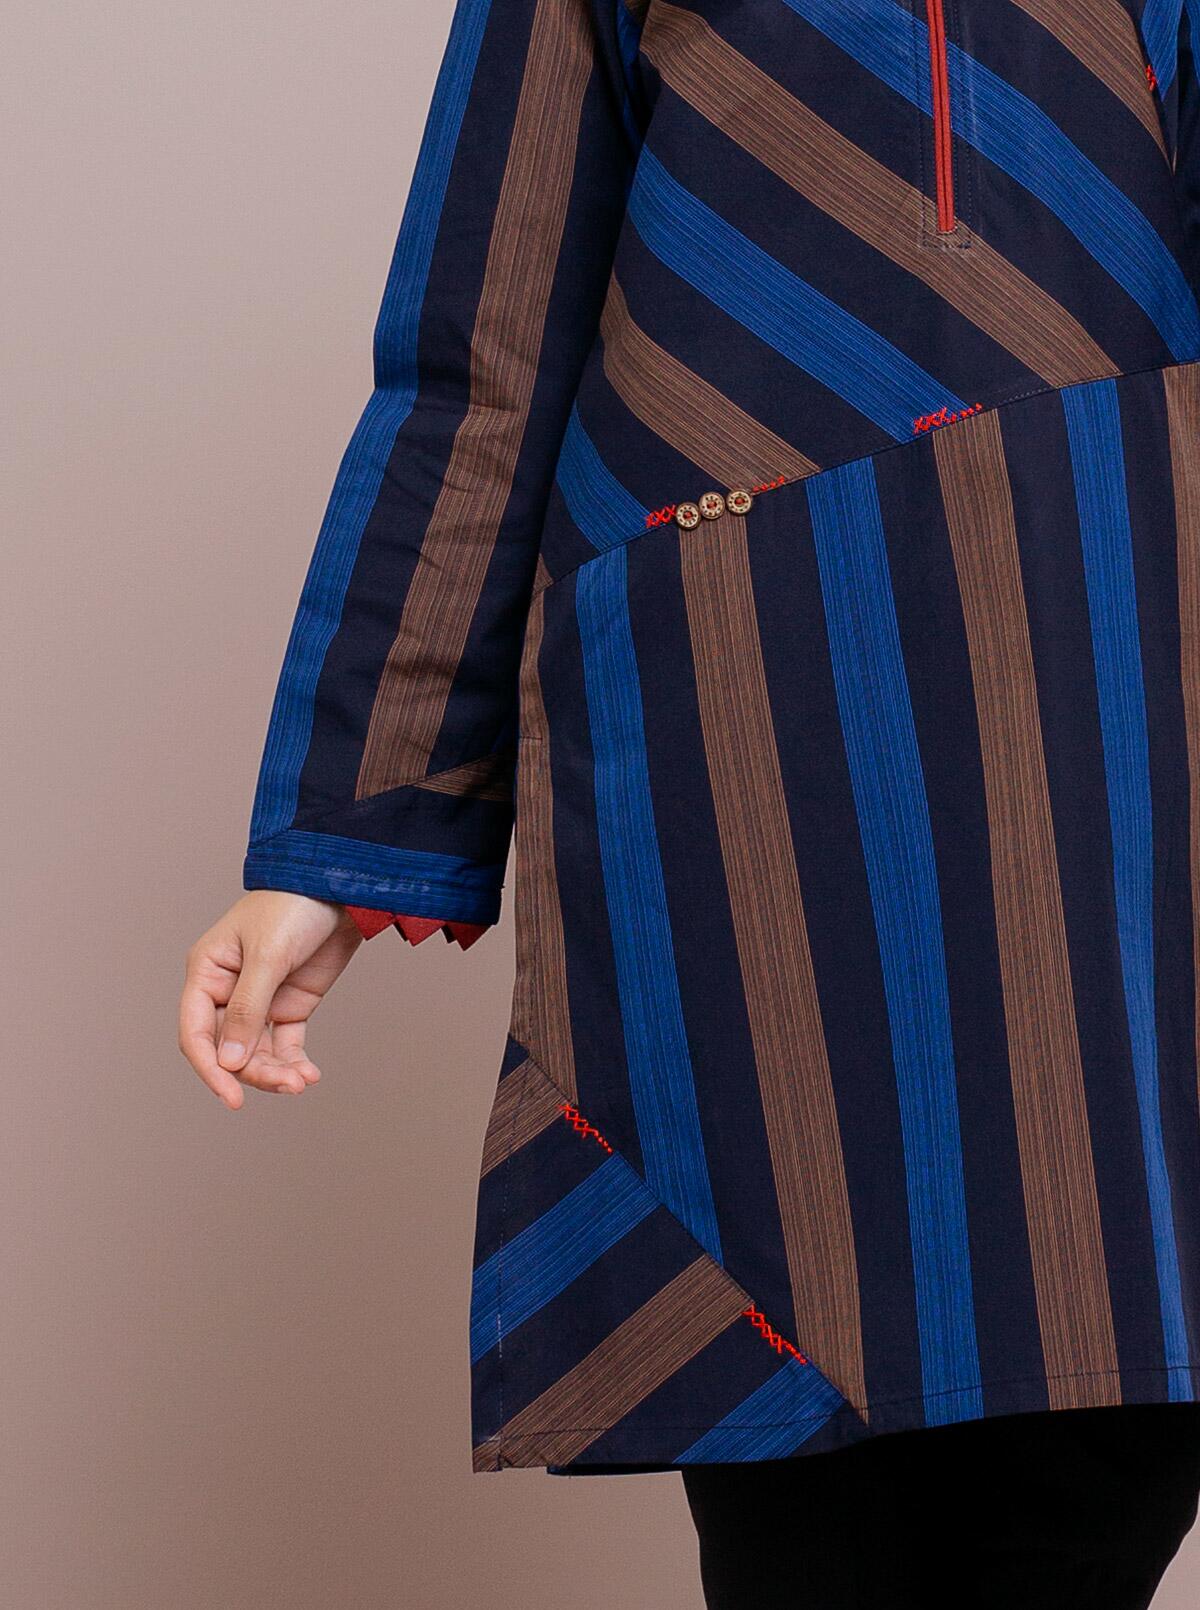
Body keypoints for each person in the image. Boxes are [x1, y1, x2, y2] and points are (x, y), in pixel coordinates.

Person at [180, 0, 1200, 1600]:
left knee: (1103, 1398)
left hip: (1109, 738)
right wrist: (343, 830)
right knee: (811, 1454)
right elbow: (483, 345)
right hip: (753, 765)